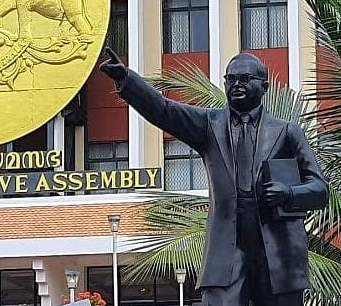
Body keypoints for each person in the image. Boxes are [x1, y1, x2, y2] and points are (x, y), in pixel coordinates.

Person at [99, 49, 328, 306]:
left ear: (263, 87)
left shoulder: (287, 132)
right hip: (226, 255)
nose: (236, 85)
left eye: (244, 79)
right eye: (231, 79)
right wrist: (127, 80)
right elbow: (164, 110)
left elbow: (319, 189)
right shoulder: (209, 125)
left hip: (277, 254)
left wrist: (289, 194)